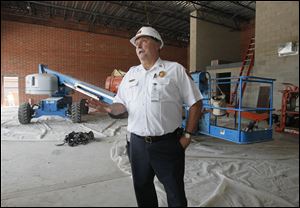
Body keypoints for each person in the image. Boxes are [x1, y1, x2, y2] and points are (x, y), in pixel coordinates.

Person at [93, 26, 203, 207]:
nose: (139, 46)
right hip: (137, 145)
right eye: (136, 43)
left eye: (144, 41)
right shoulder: (130, 74)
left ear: (158, 44)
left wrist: (188, 137)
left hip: (167, 144)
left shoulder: (174, 70)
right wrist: (108, 108)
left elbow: (196, 103)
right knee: (142, 189)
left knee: (174, 191)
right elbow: (122, 105)